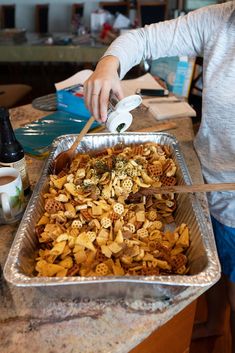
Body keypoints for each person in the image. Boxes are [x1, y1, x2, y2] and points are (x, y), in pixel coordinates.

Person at [84, 1, 235, 352]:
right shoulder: (218, 19)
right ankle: (213, 323)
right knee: (211, 269)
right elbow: (141, 39)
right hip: (205, 181)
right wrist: (109, 65)